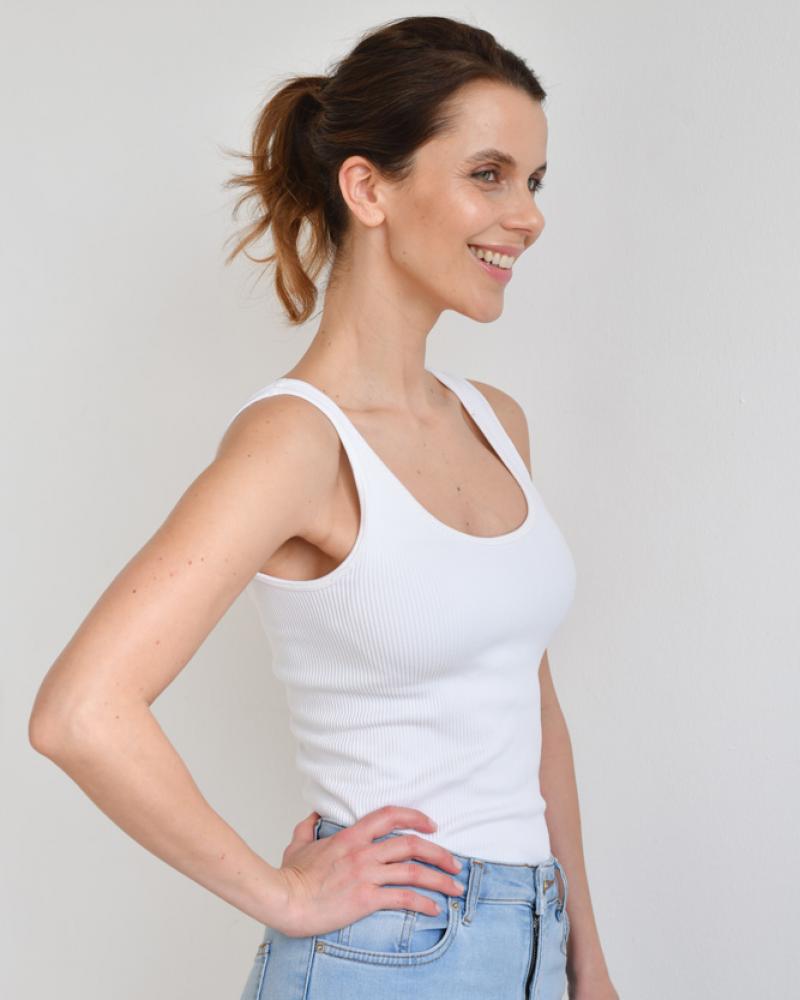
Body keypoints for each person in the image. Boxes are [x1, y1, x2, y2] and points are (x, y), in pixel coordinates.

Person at [28, 14, 618, 1000]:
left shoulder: (497, 423)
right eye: (489, 174)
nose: (527, 215)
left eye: (534, 181)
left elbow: (531, 705)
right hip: (388, 955)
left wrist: (583, 960)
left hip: (530, 941)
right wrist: (282, 895)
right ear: (367, 188)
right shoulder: (297, 443)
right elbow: (80, 713)